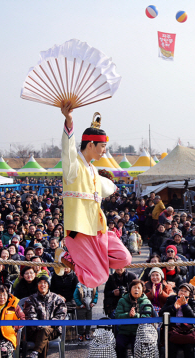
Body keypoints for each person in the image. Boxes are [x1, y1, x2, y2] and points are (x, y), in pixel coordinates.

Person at [58, 105, 132, 287]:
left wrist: (114, 185)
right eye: (103, 146)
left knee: (125, 258)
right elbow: (67, 150)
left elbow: (107, 187)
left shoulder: (93, 170)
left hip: (98, 228)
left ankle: (93, 264)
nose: (104, 151)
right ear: (90, 144)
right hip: (79, 231)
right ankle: (63, 255)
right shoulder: (73, 167)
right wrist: (69, 121)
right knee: (97, 279)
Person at [23, 276, 67, 358]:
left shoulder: (57, 298)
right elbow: (30, 316)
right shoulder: (31, 299)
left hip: (53, 329)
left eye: (45, 283)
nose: (43, 285)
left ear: (48, 285)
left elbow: (62, 314)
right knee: (43, 336)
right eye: (40, 283)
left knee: (44, 333)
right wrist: (41, 326)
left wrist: (51, 324)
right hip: (35, 330)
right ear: (37, 285)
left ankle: (35, 353)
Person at [160, 283, 195, 358]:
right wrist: (174, 307)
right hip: (173, 331)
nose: (182, 293)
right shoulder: (171, 300)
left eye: (185, 291)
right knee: (171, 348)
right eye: (181, 290)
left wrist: (185, 306)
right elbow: (161, 313)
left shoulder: (193, 302)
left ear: (190, 294)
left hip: (187, 332)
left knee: (189, 349)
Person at [114, 280, 152, 358]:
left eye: (139, 288)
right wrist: (128, 315)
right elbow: (117, 316)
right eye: (134, 287)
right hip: (124, 331)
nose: (136, 290)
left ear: (142, 291)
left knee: (138, 346)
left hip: (139, 332)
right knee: (119, 345)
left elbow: (147, 317)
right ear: (130, 289)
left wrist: (136, 316)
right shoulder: (122, 300)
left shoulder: (146, 301)